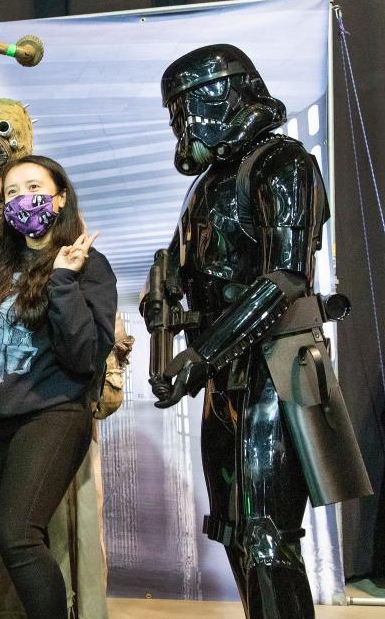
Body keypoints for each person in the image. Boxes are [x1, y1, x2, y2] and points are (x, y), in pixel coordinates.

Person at [142, 44, 371, 619]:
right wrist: (160, 298)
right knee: (237, 530)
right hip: (226, 376)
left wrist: (201, 354)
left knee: (267, 533)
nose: (184, 123)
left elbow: (285, 278)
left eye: (189, 106)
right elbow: (178, 262)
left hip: (275, 367)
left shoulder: (282, 164)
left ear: (225, 95)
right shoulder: (207, 184)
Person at [0, 155, 117, 619]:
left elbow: (84, 355)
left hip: (52, 414)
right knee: (15, 540)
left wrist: (62, 281)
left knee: (17, 534)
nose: (21, 199)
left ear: (58, 198)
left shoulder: (89, 266)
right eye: (12, 191)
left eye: (33, 187)